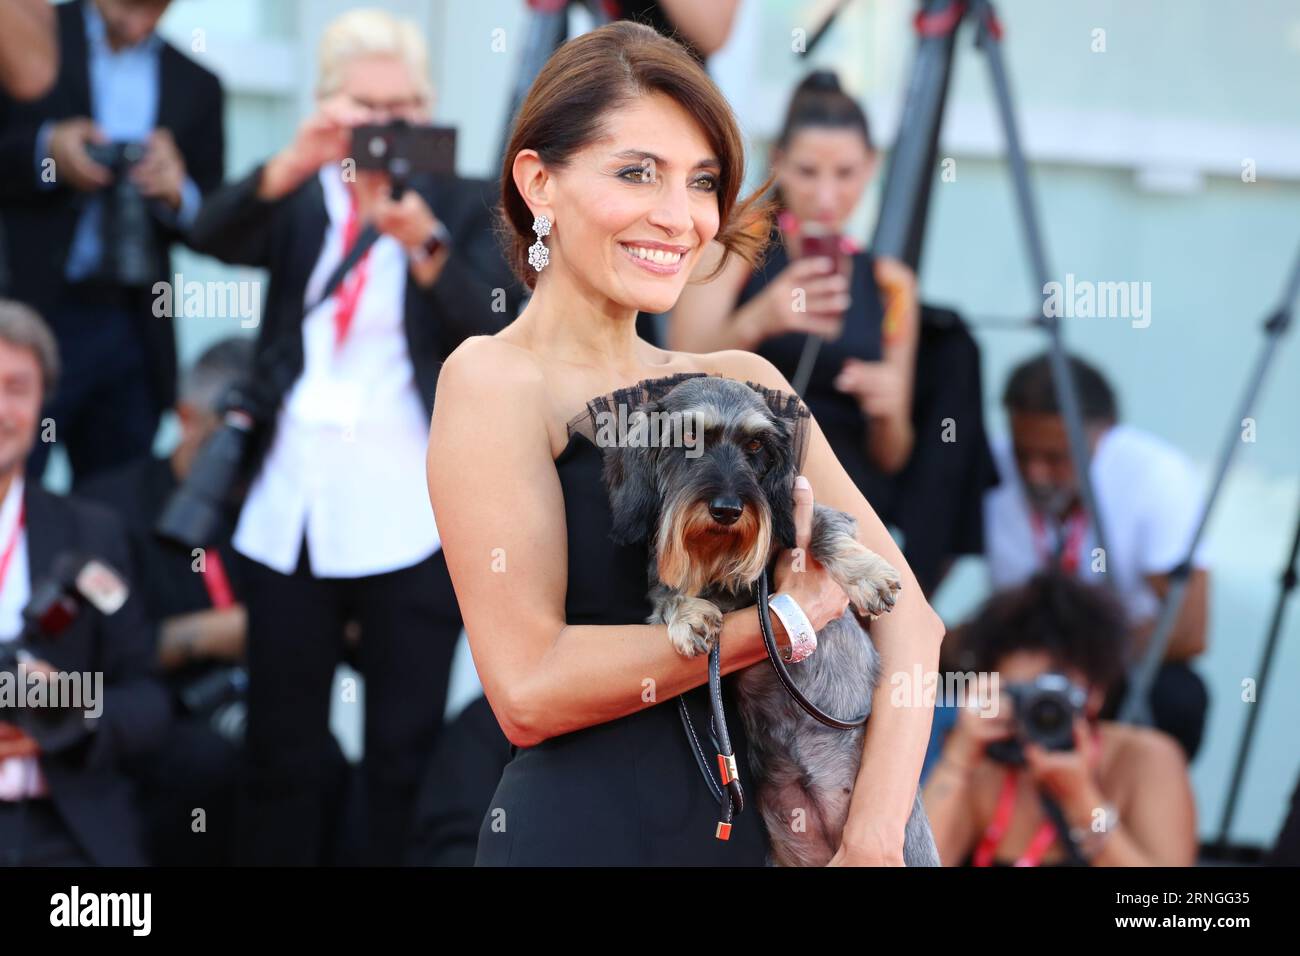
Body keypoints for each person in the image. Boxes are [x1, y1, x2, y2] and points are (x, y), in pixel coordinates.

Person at [427, 21, 945, 866]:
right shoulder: (495, 379)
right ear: (538, 183)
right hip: (586, 839)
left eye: (702, 182)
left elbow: (913, 622)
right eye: (637, 173)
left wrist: (876, 839)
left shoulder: (745, 381)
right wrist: (775, 624)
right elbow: (527, 689)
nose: (680, 217)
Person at [188, 8, 523, 866]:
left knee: (400, 754)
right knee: (281, 746)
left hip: (410, 507)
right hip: (291, 501)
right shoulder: (303, 189)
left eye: (403, 107)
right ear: (330, 108)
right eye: (366, 109)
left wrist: (430, 249)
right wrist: (291, 161)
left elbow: (502, 319)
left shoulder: (456, 195)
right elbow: (207, 232)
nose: (386, 128)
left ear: (429, 108)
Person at [670, 70, 919, 509]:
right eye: (807, 172)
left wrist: (889, 410)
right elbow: (678, 373)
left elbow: (893, 455)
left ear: (871, 168)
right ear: (778, 163)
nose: (827, 195)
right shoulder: (738, 246)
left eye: (845, 173)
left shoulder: (889, 284)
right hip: (737, 484)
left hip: (845, 496)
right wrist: (761, 317)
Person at [0, 0, 225, 486]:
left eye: (155, 9)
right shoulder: (28, 36)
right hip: (34, 309)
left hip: (135, 324)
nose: (139, 22)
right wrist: (47, 149)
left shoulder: (196, 84)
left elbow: (216, 218)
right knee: (14, 479)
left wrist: (177, 191)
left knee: (117, 498)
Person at [0, 299, 169, 866]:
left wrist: (69, 703)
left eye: (17, 387)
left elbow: (147, 704)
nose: (1, 407)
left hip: (67, 832)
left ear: (43, 403)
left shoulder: (91, 534)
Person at [78, 337, 256, 866]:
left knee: (315, 759)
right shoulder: (106, 510)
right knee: (207, 764)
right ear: (186, 419)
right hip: (147, 715)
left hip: (246, 706)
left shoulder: (264, 507)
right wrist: (216, 633)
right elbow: (94, 659)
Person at [984, 352, 1211, 760]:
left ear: (1103, 437)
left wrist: (1079, 665)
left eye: (1056, 458)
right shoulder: (990, 467)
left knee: (1177, 695)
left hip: (1114, 665)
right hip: (1015, 664)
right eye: (1024, 454)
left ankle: (1141, 806)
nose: (1035, 473)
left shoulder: (1157, 476)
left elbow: (1190, 631)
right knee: (924, 678)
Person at [923, 573, 1197, 867]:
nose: (1038, 711)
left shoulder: (1144, 760)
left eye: (1051, 696)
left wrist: (1082, 800)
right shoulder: (983, 765)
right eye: (1019, 695)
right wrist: (957, 760)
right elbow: (914, 861)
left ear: (1096, 692)